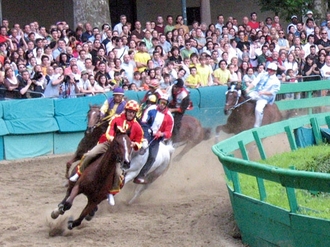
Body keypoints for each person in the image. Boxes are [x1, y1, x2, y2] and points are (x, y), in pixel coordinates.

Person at [69, 100, 144, 205]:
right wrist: (114, 141)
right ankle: (78, 173)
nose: (131, 113)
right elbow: (109, 132)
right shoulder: (116, 119)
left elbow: (139, 141)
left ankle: (111, 192)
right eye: (129, 111)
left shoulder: (137, 127)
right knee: (89, 154)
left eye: (133, 112)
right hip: (107, 144)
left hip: (120, 151)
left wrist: (134, 144)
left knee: (118, 173)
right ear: (126, 111)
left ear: (135, 113)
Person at [134, 93, 174, 184]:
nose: (161, 104)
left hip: (156, 139)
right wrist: (148, 131)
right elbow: (144, 121)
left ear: (166, 104)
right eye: (160, 102)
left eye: (164, 103)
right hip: (145, 133)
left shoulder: (169, 117)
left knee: (152, 156)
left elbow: (169, 133)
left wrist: (162, 134)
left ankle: (141, 175)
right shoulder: (151, 109)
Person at [245, 62, 281, 128]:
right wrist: (248, 88)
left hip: (265, 97)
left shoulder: (276, 81)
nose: (270, 71)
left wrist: (263, 92)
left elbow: (273, 92)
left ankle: (257, 125)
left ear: (275, 71)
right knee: (244, 100)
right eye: (269, 69)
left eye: (272, 70)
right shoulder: (262, 75)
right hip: (256, 93)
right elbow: (254, 82)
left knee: (258, 109)